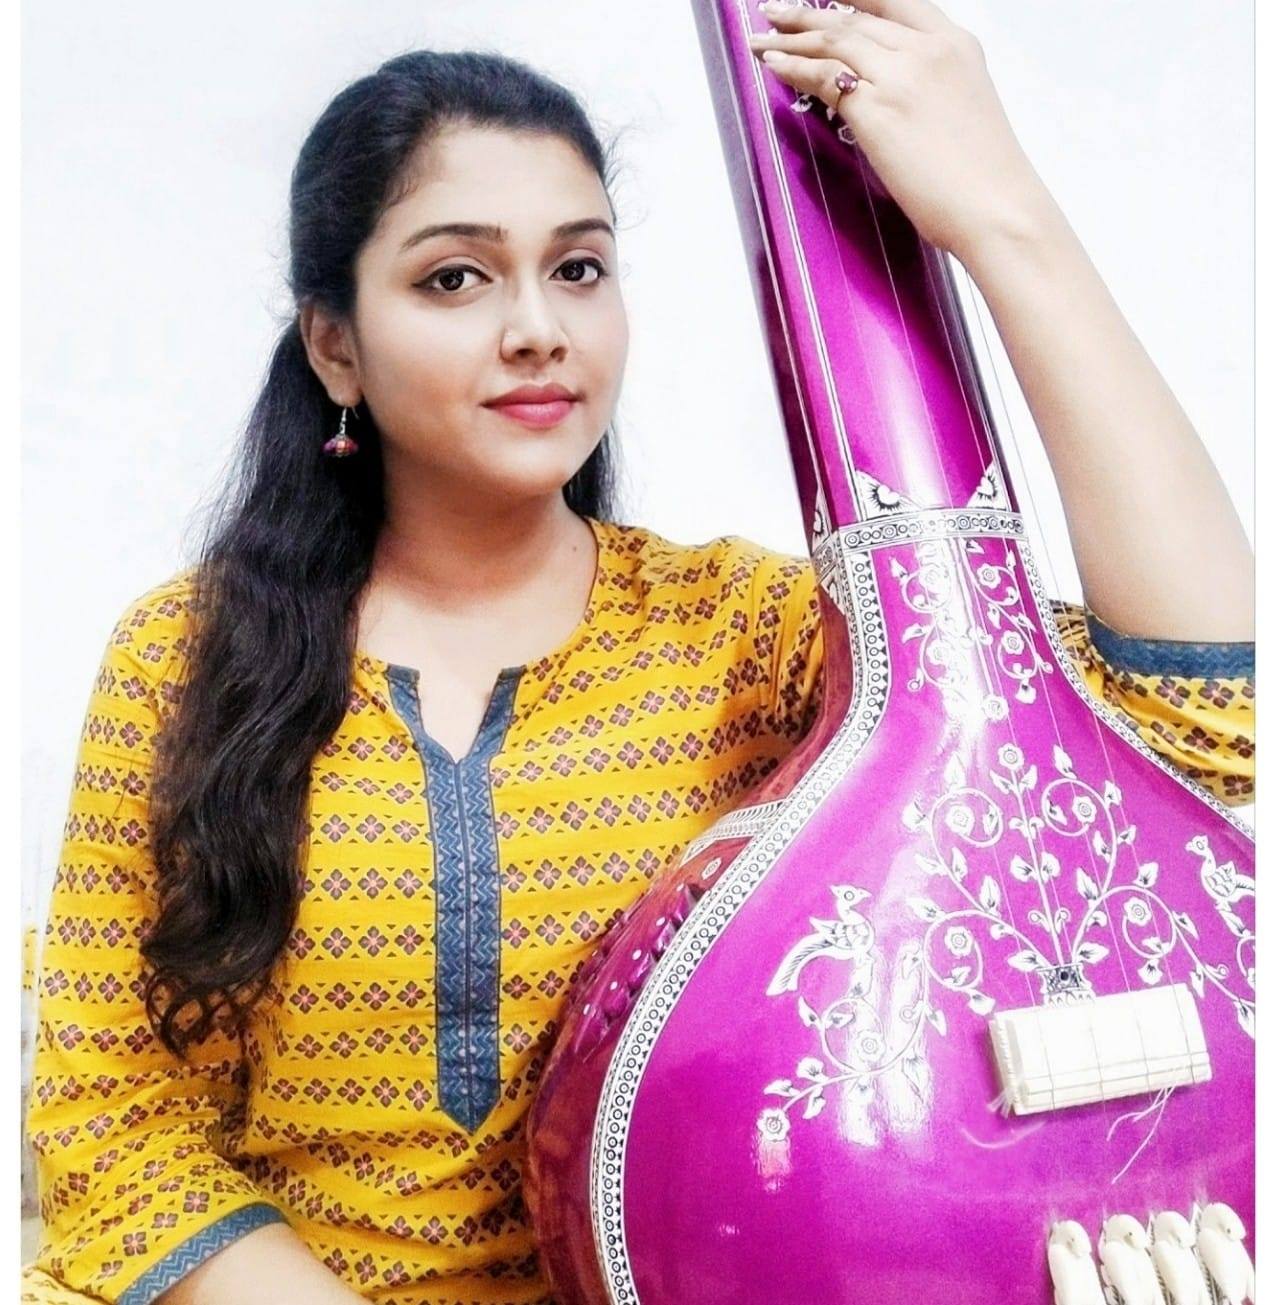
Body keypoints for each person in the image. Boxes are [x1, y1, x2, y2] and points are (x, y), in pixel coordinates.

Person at [22, 5, 1255, 1302]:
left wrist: (1007, 219)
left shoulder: (743, 633)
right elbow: (115, 1124)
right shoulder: (190, 656)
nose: (537, 328)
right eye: (455, 278)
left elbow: (1199, 717)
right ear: (336, 344)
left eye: (578, 268)